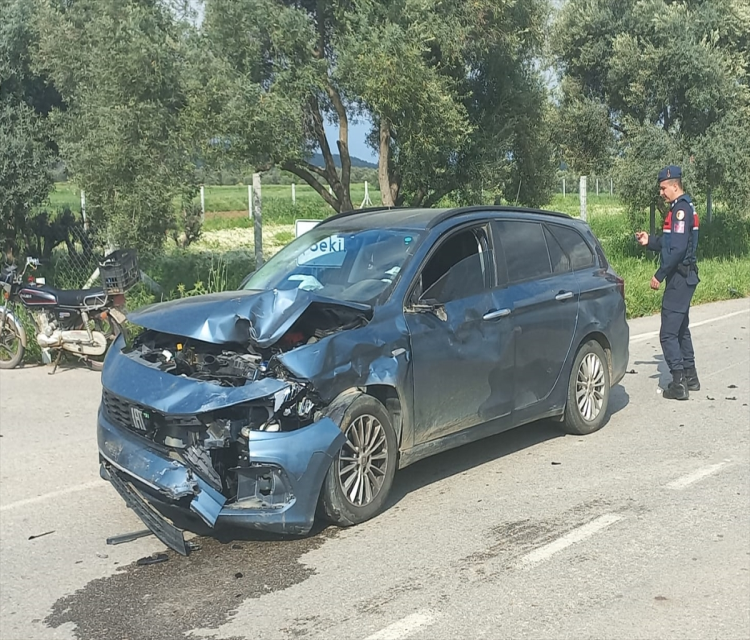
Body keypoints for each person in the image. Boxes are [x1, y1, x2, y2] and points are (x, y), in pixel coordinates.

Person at [635, 165, 700, 400]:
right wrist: (650, 240)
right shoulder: (680, 208)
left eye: (663, 188)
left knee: (668, 334)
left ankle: (678, 382)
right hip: (685, 276)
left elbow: (678, 249)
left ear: (675, 185)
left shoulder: (681, 210)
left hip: (679, 278)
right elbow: (671, 241)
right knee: (681, 328)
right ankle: (691, 377)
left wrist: (659, 274)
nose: (661, 192)